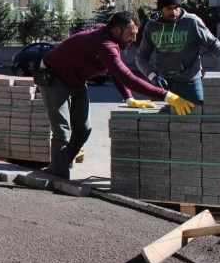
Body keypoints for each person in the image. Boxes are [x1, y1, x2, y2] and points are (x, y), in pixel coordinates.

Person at [38, 11, 195, 180]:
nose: (134, 39)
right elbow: (128, 77)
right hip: (53, 76)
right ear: (117, 31)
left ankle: (59, 165)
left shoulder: (109, 37)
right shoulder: (105, 44)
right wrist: (168, 96)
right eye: (131, 34)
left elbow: (115, 72)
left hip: (76, 79)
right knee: (62, 131)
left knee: (84, 129)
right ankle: (57, 179)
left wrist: (129, 98)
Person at [136, 0, 220, 104]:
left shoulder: (192, 22)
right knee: (157, 121)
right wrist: (152, 77)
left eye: (176, 7)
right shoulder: (152, 26)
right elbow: (141, 57)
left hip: (190, 83)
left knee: (196, 119)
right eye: (168, 8)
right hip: (163, 83)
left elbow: (212, 44)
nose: (174, 12)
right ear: (160, 9)